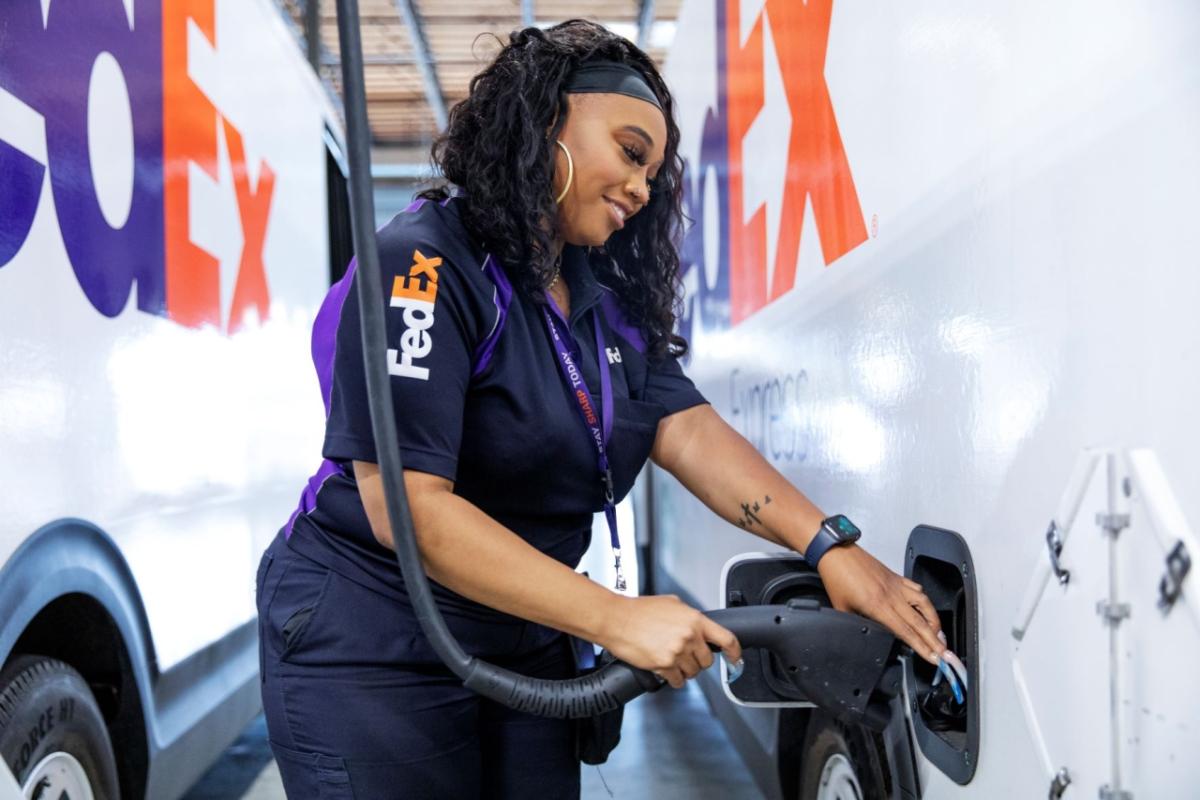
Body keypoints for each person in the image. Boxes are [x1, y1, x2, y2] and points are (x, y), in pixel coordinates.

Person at [256, 18, 947, 799]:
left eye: (654, 171)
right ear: (546, 117)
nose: (643, 187)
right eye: (629, 151)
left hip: (520, 631)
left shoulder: (597, 297)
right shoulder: (422, 265)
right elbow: (409, 512)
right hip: (373, 636)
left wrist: (830, 547)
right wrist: (614, 618)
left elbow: (683, 429)